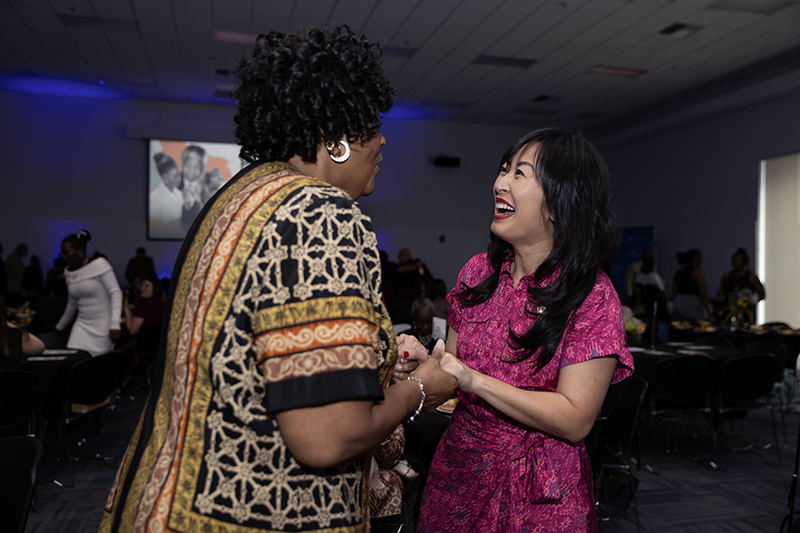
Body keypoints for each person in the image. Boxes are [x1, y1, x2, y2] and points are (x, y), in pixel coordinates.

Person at [99, 26, 456, 533]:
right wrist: (423, 388)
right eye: (372, 125)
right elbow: (328, 435)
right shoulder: (319, 213)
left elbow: (259, 355)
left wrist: (380, 362)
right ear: (333, 139)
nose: (382, 141)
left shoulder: (239, 197)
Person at [414, 128, 634, 532]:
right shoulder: (478, 273)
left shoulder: (592, 294)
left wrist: (474, 381)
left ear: (559, 203)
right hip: (459, 473)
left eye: (520, 173)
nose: (500, 183)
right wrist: (421, 365)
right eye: (503, 170)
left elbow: (575, 418)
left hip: (541, 491)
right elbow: (451, 376)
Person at [55, 230, 123, 356]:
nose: (65, 258)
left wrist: (115, 324)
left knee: (96, 367)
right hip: (81, 325)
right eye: (62, 254)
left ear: (80, 250)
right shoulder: (68, 272)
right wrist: (60, 326)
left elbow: (115, 293)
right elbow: (72, 303)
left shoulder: (100, 264)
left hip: (104, 326)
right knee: (72, 359)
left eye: (67, 253)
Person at [671, 248, 712, 320]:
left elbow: (674, 291)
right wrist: (709, 312)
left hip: (678, 303)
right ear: (696, 259)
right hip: (692, 304)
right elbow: (703, 294)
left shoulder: (679, 272)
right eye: (701, 257)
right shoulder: (698, 273)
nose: (702, 260)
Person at [150, 152, 184, 229]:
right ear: (165, 177)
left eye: (179, 174)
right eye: (175, 176)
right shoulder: (154, 198)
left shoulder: (181, 195)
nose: (179, 179)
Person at [180, 145, 208, 229]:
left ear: (202, 169)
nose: (191, 171)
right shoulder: (174, 183)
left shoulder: (208, 190)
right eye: (188, 165)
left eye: (196, 167)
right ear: (183, 164)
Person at [5, 243, 28, 307]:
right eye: (24, 251)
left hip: (16, 287)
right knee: (11, 304)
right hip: (11, 287)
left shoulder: (17, 258)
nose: (25, 253)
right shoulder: (13, 258)